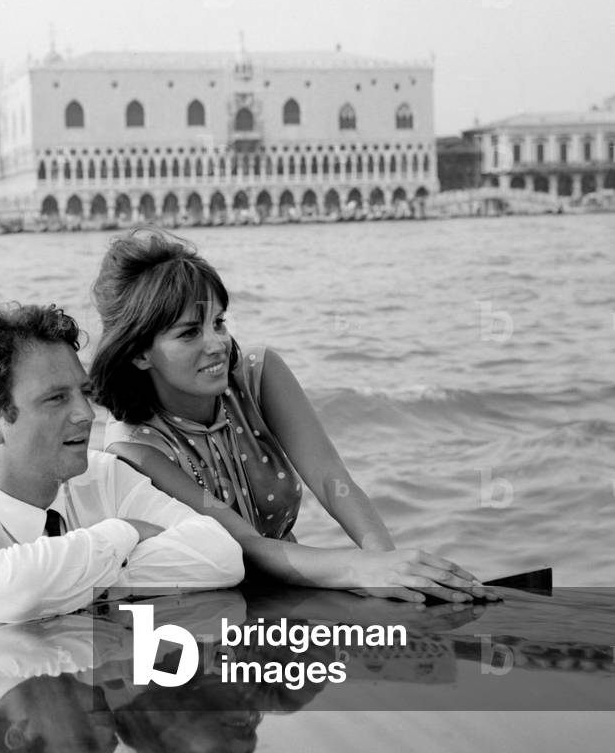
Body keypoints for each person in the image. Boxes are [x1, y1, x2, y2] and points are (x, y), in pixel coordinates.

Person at [90, 228, 500, 604]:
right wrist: (361, 568)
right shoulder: (136, 447)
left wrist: (390, 567)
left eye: (218, 323)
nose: (216, 344)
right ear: (139, 353)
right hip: (210, 617)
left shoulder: (259, 374)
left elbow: (332, 481)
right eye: (189, 333)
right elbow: (249, 546)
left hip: (303, 589)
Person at [0, 302, 243, 624]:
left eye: (83, 393)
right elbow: (13, 592)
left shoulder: (104, 475)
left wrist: (67, 584)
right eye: (56, 399)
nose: (86, 414)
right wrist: (123, 533)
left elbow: (221, 556)